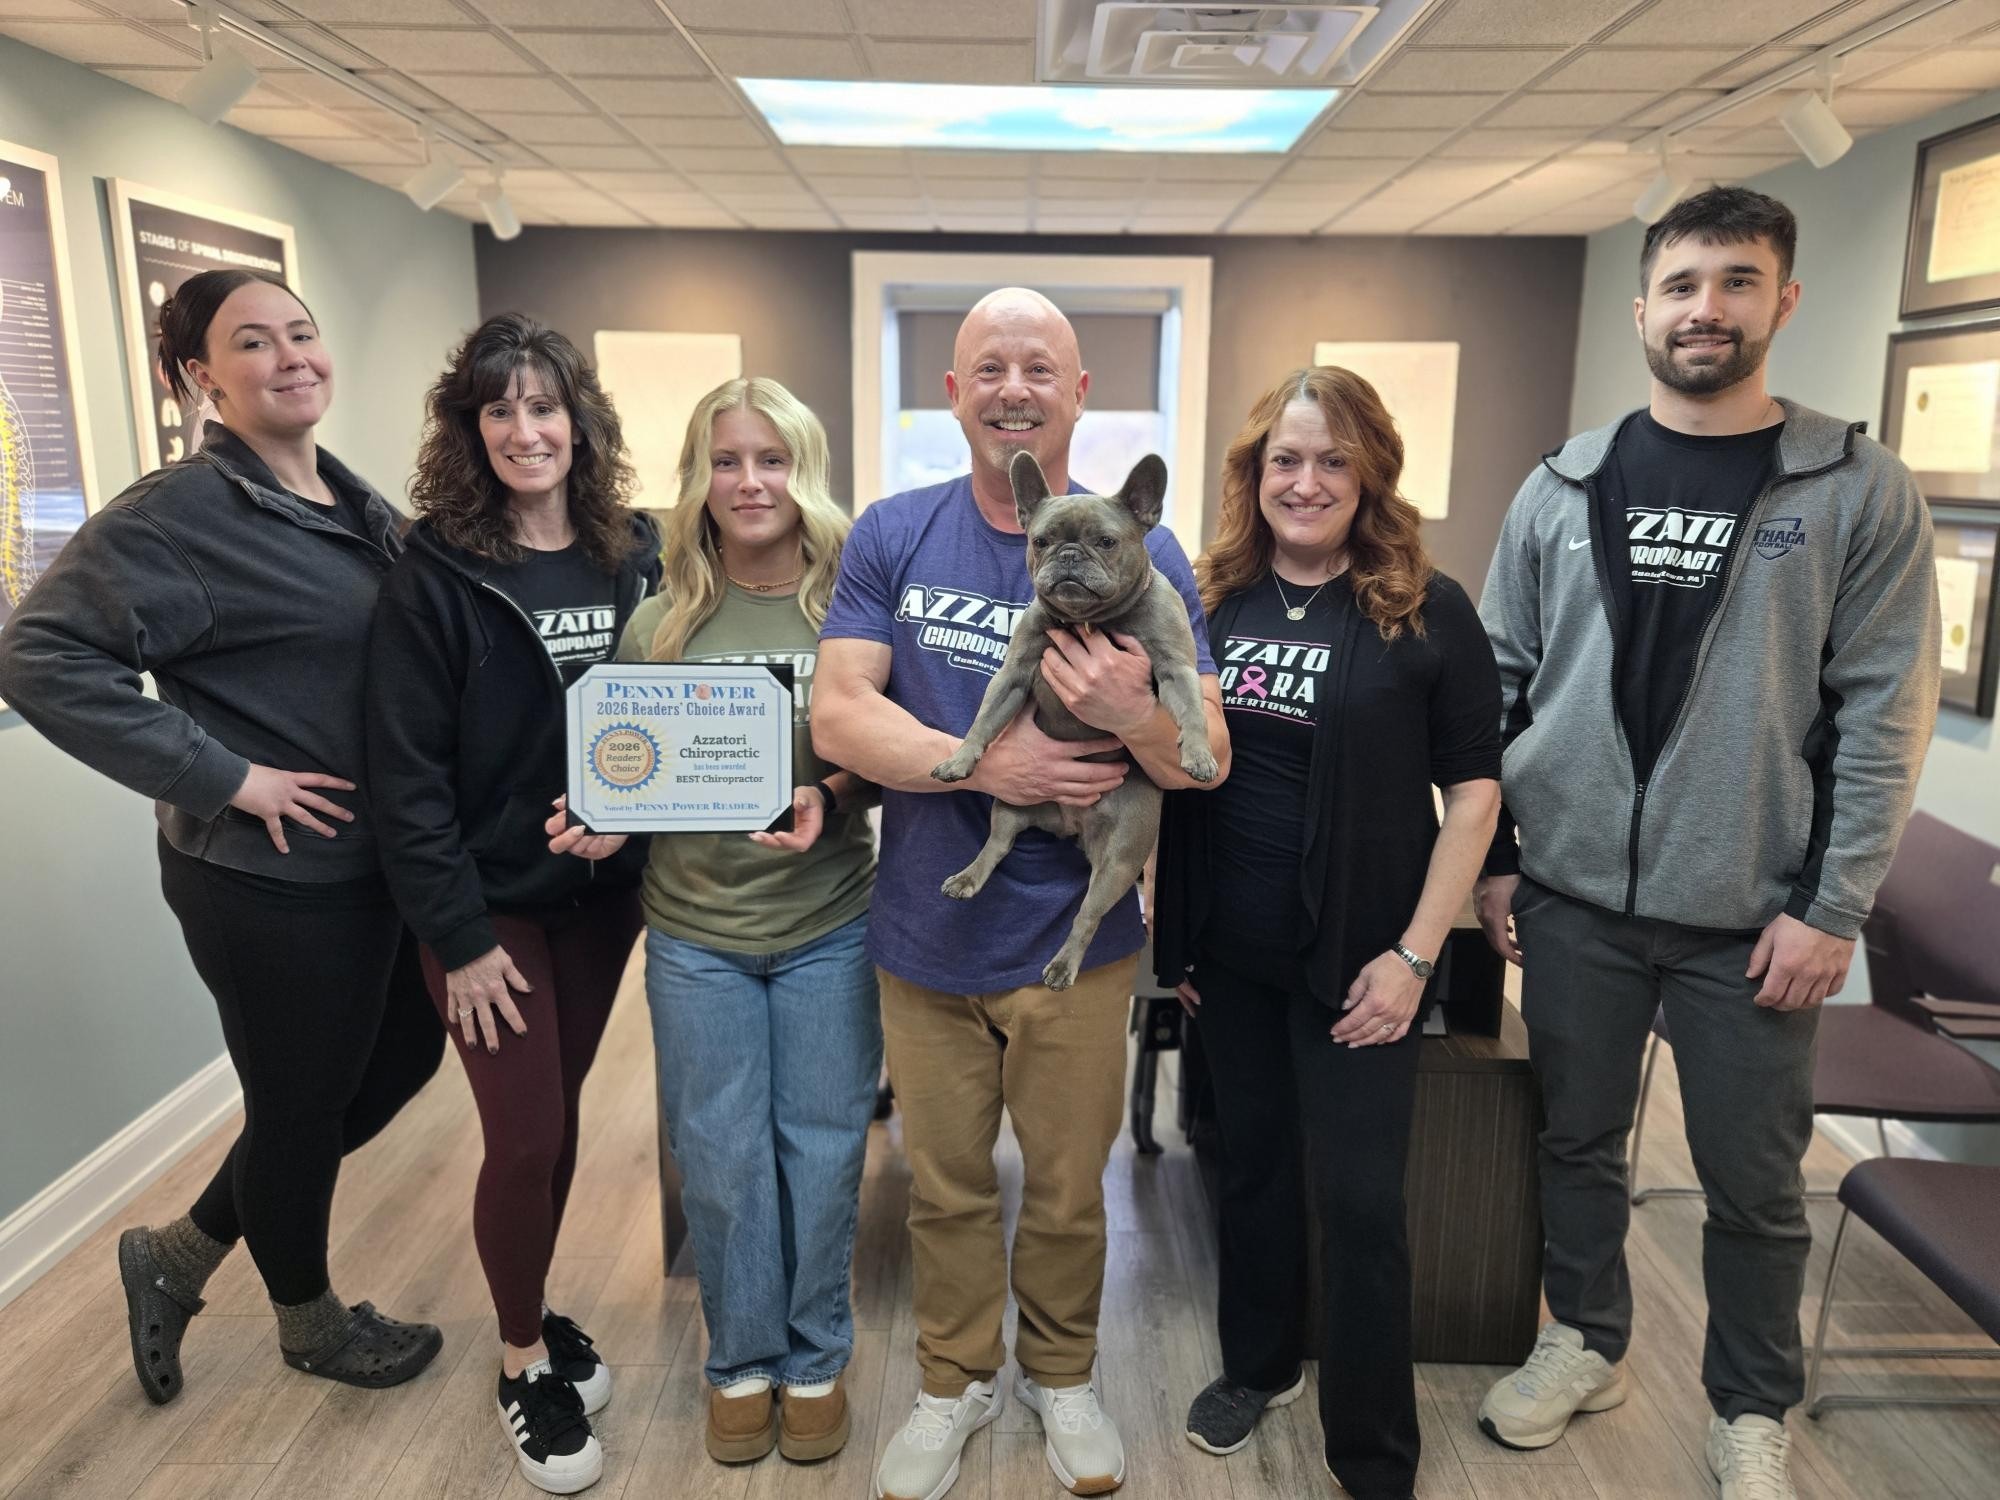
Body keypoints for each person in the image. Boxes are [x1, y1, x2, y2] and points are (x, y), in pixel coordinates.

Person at [1474, 186, 1941, 1500]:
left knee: (1752, 1185)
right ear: (1642, 308)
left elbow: (1885, 714)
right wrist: (1498, 857)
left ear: (1782, 301)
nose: (1705, 310)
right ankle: (1585, 1338)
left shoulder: (1854, 490)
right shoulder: (1563, 483)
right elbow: (1499, 682)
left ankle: (1748, 1406)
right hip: (1571, 898)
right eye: (1681, 285)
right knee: (1574, 1144)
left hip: (1752, 916)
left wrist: (1833, 907)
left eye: (1736, 282)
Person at [812, 287, 1231, 1500]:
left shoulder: (1146, 554)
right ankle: (953, 1384)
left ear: (1077, 391)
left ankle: (1061, 1376)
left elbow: (1204, 753)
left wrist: (1129, 715)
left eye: (1038, 368)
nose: (1013, 389)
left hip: (1076, 942)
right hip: (926, 931)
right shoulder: (893, 532)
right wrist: (995, 763)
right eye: (988, 368)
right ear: (953, 393)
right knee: (942, 1190)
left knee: (1064, 1192)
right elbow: (838, 712)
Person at [0, 269, 446, 1405]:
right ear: (199, 375)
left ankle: (178, 1253)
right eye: (254, 342)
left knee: (399, 1060)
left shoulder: (348, 500)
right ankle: (310, 1324)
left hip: (377, 861)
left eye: (302, 331)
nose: (291, 356)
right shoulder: (178, 516)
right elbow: (36, 655)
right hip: (268, 880)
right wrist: (226, 776)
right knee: (299, 1108)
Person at [1152, 367, 1501, 1499]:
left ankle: (1373, 1449)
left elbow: (1475, 796)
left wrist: (1415, 958)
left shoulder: (1425, 608)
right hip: (1232, 954)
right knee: (1251, 1168)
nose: (1305, 483)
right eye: (1285, 461)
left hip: (1364, 963)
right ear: (1253, 475)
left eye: (1332, 460)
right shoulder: (1208, 600)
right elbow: (1166, 771)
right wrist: (1176, 934)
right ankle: (1257, 1367)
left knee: (1359, 1204)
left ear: (1370, 473)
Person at [547, 377, 881, 1471]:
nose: (749, 482)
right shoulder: (661, 621)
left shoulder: (849, 614)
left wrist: (830, 793)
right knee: (722, 1156)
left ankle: (815, 1357)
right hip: (695, 935)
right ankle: (739, 1361)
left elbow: (889, 762)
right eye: (726, 461)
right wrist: (605, 821)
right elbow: (625, 768)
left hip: (828, 922)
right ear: (698, 478)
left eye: (771, 460)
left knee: (822, 1152)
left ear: (803, 471)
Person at [364, 314, 659, 1493]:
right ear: (469, 428)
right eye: (500, 409)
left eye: (545, 407)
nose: (525, 430)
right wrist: (460, 936)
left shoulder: (631, 553)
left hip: (600, 898)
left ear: (580, 423)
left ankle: (532, 1303)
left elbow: (669, 715)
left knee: (560, 1117)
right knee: (524, 1132)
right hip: (489, 908)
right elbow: (404, 781)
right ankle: (521, 1359)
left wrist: (635, 823)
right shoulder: (434, 574)